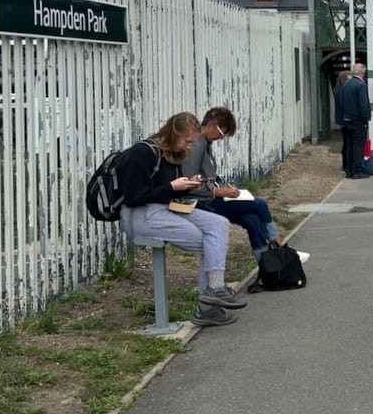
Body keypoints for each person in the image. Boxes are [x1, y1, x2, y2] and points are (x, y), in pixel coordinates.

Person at [119, 112, 246, 327]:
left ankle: (215, 289)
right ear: (173, 134)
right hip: (142, 216)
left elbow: (168, 191)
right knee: (207, 240)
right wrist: (172, 187)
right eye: (187, 142)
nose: (189, 148)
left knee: (219, 224)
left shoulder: (173, 153)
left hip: (167, 207)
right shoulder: (142, 153)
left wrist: (188, 184)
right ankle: (208, 307)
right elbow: (133, 197)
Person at [182, 107, 282, 264]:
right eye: (221, 133)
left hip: (210, 198)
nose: (221, 138)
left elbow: (207, 175)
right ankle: (278, 244)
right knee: (260, 205)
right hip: (201, 202)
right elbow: (189, 183)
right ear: (211, 124)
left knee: (253, 221)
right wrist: (221, 191)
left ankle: (267, 266)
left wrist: (222, 187)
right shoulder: (196, 145)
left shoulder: (204, 143)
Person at [338, 63, 371, 178]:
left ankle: (349, 170)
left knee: (349, 145)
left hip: (347, 119)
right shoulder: (361, 85)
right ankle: (357, 170)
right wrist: (366, 118)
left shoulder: (347, 84)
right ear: (363, 73)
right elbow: (363, 104)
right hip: (357, 120)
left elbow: (342, 102)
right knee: (358, 145)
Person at [333, 69, 351, 173]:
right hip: (346, 119)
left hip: (341, 119)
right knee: (348, 143)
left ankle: (345, 164)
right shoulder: (343, 91)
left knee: (346, 142)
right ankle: (346, 164)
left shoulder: (337, 90)